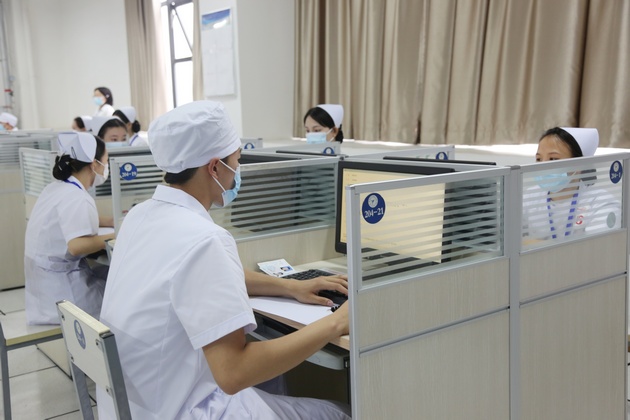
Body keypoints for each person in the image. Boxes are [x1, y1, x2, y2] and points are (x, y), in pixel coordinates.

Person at [97, 101, 351, 419]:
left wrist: (290, 287)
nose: (238, 171)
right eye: (237, 161)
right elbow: (234, 373)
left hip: (136, 404)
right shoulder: (205, 238)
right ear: (215, 168)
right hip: (185, 409)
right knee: (342, 412)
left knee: (274, 384)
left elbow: (204, 278)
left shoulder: (140, 215)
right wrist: (337, 322)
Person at [24, 132, 115, 324]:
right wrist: (119, 234)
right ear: (94, 164)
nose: (106, 167)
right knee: (119, 289)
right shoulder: (78, 197)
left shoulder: (56, 188)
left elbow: (69, 219)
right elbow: (76, 246)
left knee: (106, 273)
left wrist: (111, 221)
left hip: (44, 288)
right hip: (65, 294)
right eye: (106, 162)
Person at [522, 127, 620, 242]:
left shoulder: (601, 203)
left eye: (553, 159)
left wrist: (533, 244)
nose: (542, 166)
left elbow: (595, 248)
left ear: (579, 164)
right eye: (539, 159)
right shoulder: (530, 196)